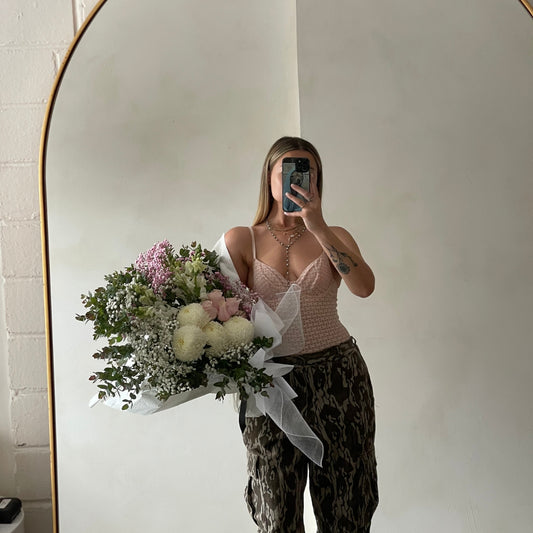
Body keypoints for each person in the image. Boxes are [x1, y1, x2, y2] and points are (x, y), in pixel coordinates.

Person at [224, 136, 378, 532]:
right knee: (275, 510)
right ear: (269, 177)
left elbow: (364, 288)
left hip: (339, 376)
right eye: (288, 169)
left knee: (347, 505)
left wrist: (319, 226)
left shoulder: (335, 235)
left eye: (308, 171)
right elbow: (221, 318)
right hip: (271, 384)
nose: (298, 178)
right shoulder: (243, 239)